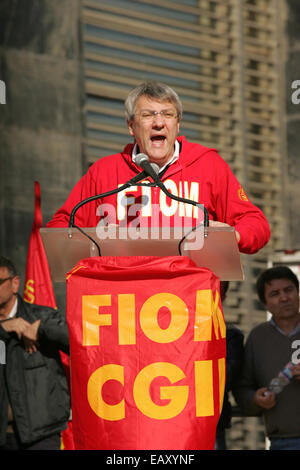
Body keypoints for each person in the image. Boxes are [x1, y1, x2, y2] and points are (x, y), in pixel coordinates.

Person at [46, 81, 270, 255]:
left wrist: (233, 236)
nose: (159, 122)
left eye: (168, 114)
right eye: (148, 115)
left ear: (178, 123)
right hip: (120, 303)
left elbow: (256, 224)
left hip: (191, 302)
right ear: (131, 126)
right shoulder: (103, 172)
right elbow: (62, 226)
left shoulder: (209, 166)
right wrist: (90, 245)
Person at [0, 256, 70, 450]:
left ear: (15, 284)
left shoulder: (42, 316)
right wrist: (5, 328)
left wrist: (42, 329)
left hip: (41, 435)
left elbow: (77, 341)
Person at [233, 266, 300, 450]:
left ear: (298, 292)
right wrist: (255, 400)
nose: (284, 298)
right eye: (275, 294)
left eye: (289, 290)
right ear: (265, 303)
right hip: (282, 441)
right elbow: (241, 387)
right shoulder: (257, 338)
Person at [215, 282, 244, 450]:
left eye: (214, 290)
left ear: (224, 297)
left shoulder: (230, 335)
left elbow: (224, 379)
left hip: (213, 426)